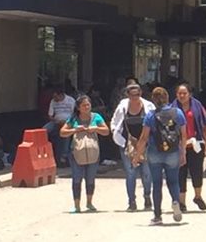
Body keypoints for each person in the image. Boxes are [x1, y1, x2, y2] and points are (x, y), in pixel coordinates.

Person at [133, 90, 185, 224]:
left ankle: (157, 216)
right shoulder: (178, 113)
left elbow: (144, 137)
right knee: (173, 181)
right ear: (167, 98)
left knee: (156, 184)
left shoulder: (151, 115)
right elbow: (183, 135)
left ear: (154, 100)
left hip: (154, 152)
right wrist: (183, 152)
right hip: (172, 151)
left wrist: (137, 156)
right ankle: (175, 201)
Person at [110, 81, 154, 212]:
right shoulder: (122, 107)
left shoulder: (148, 106)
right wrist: (120, 139)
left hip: (145, 143)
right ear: (128, 95)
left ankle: (147, 196)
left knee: (146, 173)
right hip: (127, 144)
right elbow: (115, 123)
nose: (135, 97)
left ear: (140, 93)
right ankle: (132, 201)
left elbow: (153, 124)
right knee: (131, 173)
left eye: (137, 94)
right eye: (132, 95)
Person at [60, 95, 109, 213]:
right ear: (78, 107)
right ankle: (77, 205)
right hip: (76, 153)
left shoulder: (96, 117)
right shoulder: (73, 119)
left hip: (93, 153)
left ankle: (89, 202)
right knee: (77, 179)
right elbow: (62, 132)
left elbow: (106, 131)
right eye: (84, 105)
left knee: (90, 179)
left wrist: (95, 128)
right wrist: (75, 130)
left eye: (88, 105)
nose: (86, 107)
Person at [176, 83, 206, 213]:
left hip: (196, 145)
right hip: (179, 146)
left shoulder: (198, 106)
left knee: (197, 171)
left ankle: (198, 196)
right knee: (180, 173)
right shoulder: (172, 108)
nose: (182, 96)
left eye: (184, 93)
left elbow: (205, 125)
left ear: (189, 94)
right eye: (179, 93)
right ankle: (181, 202)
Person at [44, 87, 77, 167]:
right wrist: (56, 121)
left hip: (68, 122)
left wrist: (67, 122)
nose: (55, 99)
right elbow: (50, 115)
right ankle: (45, 151)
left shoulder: (70, 100)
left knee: (65, 134)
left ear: (61, 95)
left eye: (56, 97)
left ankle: (64, 156)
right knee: (44, 130)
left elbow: (75, 114)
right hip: (56, 121)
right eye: (54, 97)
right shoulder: (53, 101)